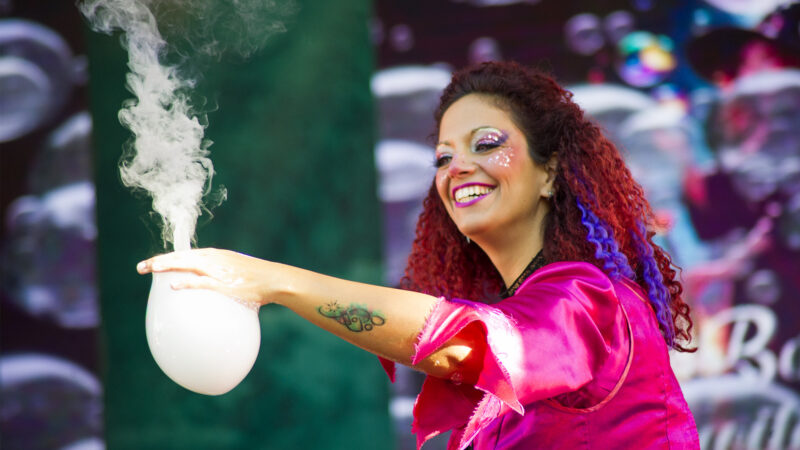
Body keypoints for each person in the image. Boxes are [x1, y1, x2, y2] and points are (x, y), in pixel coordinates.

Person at [137, 61, 700, 449]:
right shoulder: (539, 311)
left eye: (486, 144)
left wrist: (273, 281)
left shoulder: (593, 302)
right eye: (442, 157)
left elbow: (470, 343)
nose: (457, 168)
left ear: (550, 172)